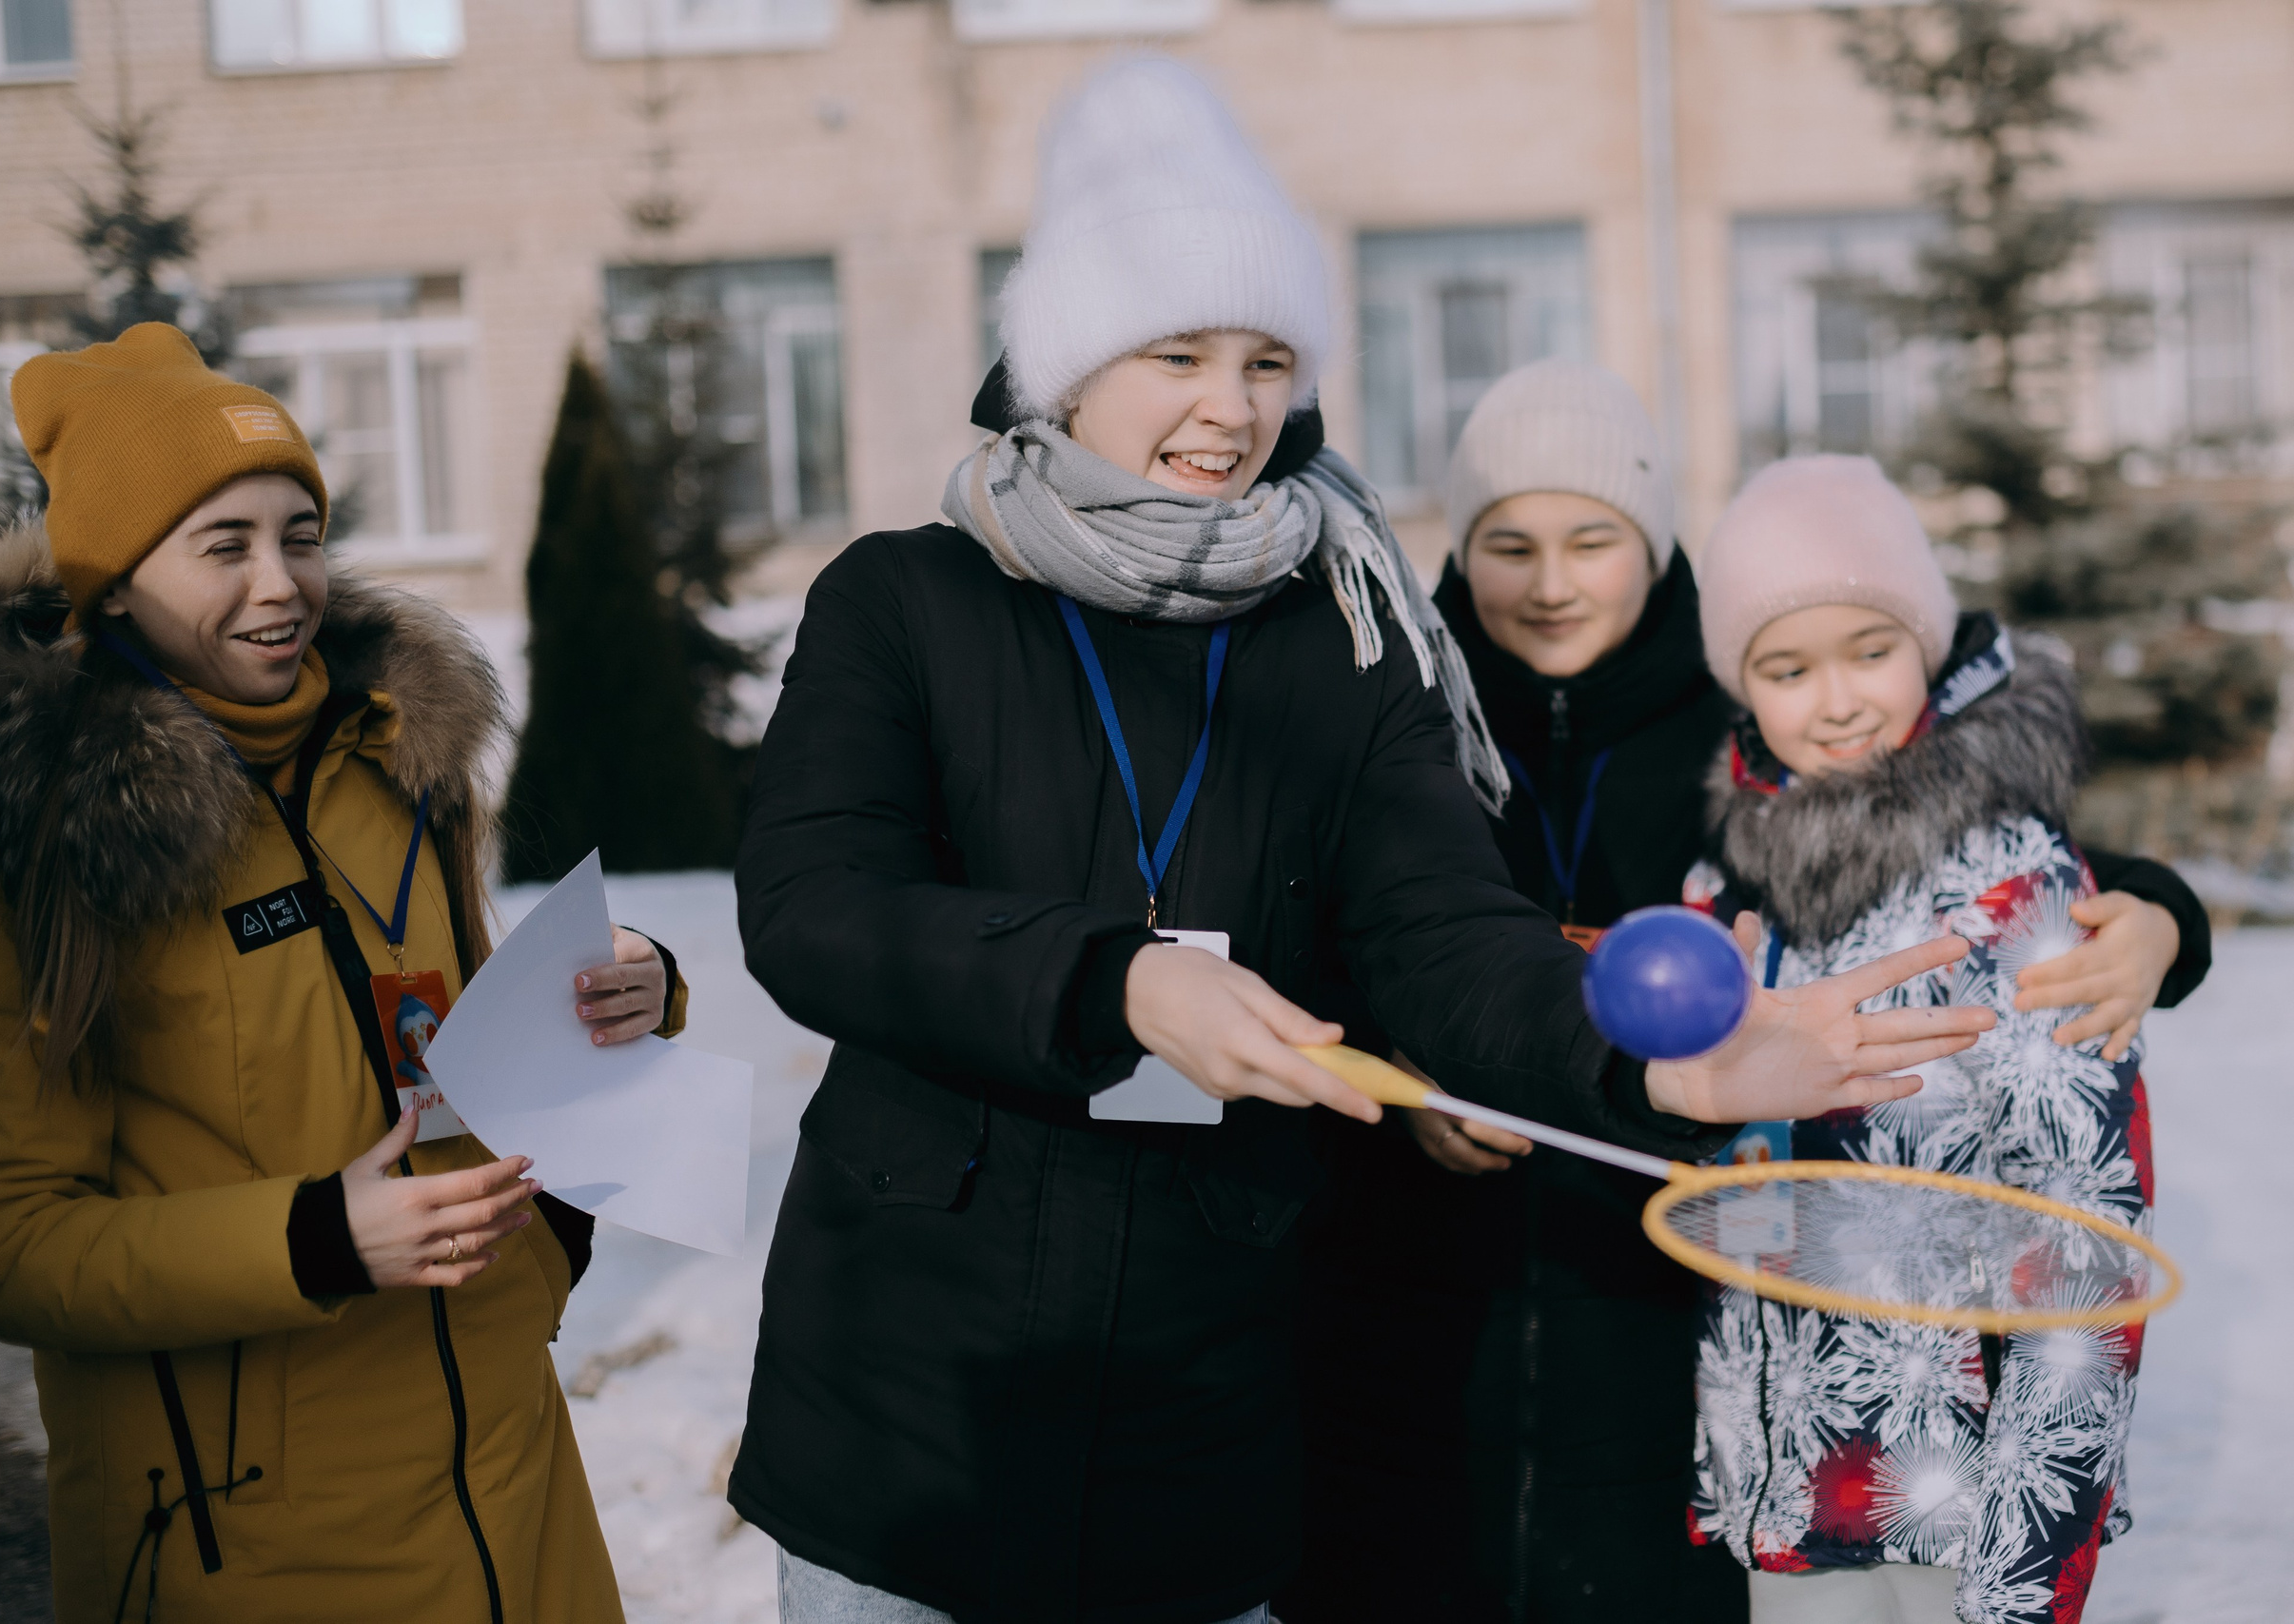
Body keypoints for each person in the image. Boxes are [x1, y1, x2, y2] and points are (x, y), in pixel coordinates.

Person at [727, 59, 1992, 1624]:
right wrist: (1111, 982)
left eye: (1267, 359)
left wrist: (1649, 1069)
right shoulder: (905, 600)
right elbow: (812, 904)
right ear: (1059, 364)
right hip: (911, 1404)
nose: (1230, 403)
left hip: (1207, 1411)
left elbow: (1443, 931)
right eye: (1177, 350)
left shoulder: (1339, 634)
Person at [1289, 364, 2207, 1621]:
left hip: (1682, 1346)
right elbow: (1347, 926)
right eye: (1509, 542)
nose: (1551, 580)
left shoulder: (1732, 724)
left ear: (1656, 545)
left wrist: (2159, 910)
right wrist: (1407, 1077)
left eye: (1592, 537)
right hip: (1471, 1331)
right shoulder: (1403, 708)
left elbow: (1959, 822)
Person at [0, 323, 684, 1622]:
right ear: (116, 582)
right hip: (241, 1543)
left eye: (298, 532)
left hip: (512, 1489)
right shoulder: (20, 848)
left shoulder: (394, 765)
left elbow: (441, 1044)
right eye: (222, 544)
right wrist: (313, 1235)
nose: (280, 582)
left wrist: (622, 991)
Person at [1682, 456, 2151, 1624]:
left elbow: (2083, 1234)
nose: (1835, 700)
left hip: (1963, 1511)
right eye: (1788, 669)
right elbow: (1726, 1185)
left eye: (1870, 651)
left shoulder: (2014, 891)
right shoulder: (1722, 897)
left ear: (1929, 648)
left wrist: (2023, 1574)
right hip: (1789, 1508)